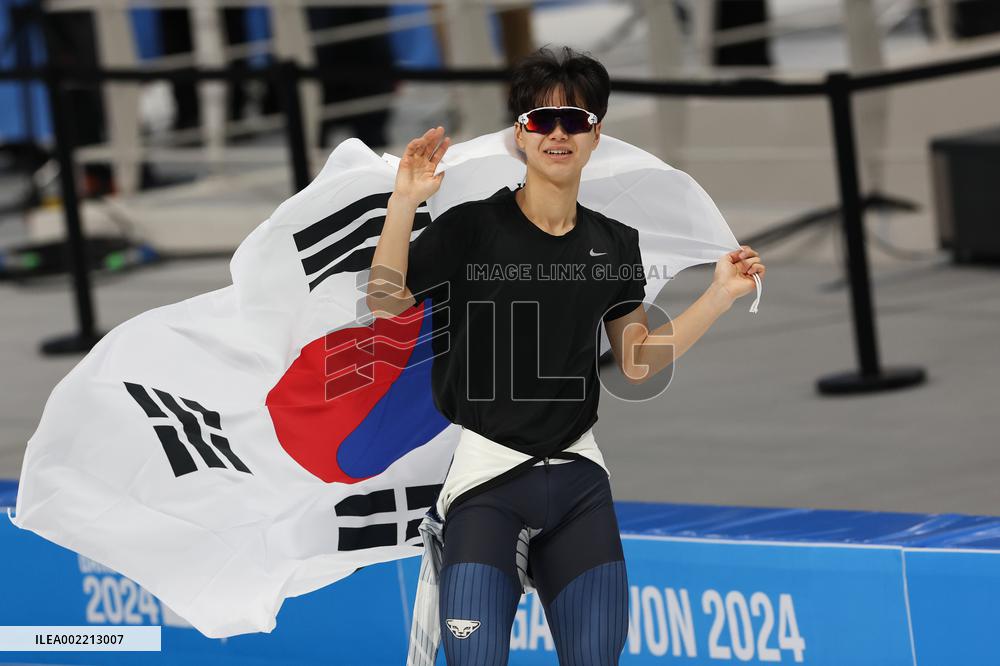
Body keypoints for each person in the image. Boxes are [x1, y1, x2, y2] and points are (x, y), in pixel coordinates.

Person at [368, 46, 765, 665]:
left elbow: (637, 361)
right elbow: (387, 300)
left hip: (580, 486)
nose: (558, 134)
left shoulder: (615, 242)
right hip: (485, 486)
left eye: (574, 121)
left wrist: (716, 296)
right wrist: (403, 201)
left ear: (595, 134)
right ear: (519, 138)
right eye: (541, 122)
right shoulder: (472, 228)